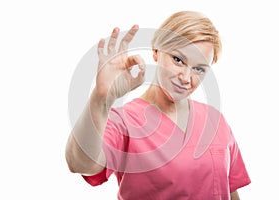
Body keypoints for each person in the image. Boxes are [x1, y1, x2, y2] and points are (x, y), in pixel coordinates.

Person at [65, 10, 251, 200]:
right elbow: (80, 164)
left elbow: (230, 189)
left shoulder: (215, 120)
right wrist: (100, 97)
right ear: (156, 51)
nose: (186, 78)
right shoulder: (124, 121)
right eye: (178, 60)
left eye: (199, 69)